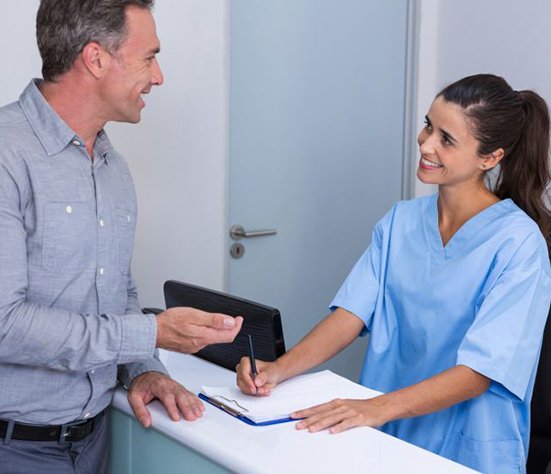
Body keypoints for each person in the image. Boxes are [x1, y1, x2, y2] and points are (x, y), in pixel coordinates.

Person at [236, 74, 551, 474]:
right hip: (386, 433)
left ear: (489, 158)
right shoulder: (401, 221)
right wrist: (279, 369)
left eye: (446, 139)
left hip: (465, 446)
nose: (426, 143)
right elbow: (349, 317)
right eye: (428, 125)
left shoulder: (518, 244)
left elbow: (481, 372)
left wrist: (376, 408)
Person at [0, 1, 243, 473]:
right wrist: (152, 333)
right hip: (14, 450)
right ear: (95, 59)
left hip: (95, 442)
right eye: (149, 57)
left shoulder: (113, 169)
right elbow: (4, 325)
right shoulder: (6, 157)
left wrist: (144, 367)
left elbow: (118, 293)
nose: (159, 76)